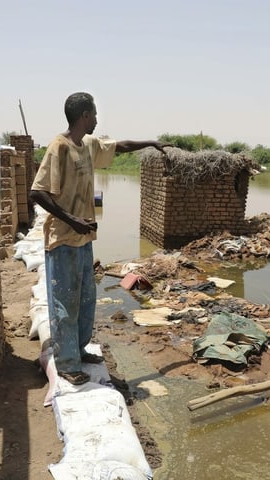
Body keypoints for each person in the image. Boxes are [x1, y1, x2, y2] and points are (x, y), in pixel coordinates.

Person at [29, 92, 169, 385]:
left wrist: (151, 143)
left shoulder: (88, 144)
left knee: (86, 300)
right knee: (64, 303)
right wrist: (71, 219)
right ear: (84, 116)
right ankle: (66, 363)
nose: (97, 119)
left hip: (83, 238)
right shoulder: (59, 148)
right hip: (64, 239)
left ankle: (78, 350)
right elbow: (37, 192)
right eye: (94, 114)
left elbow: (119, 146)